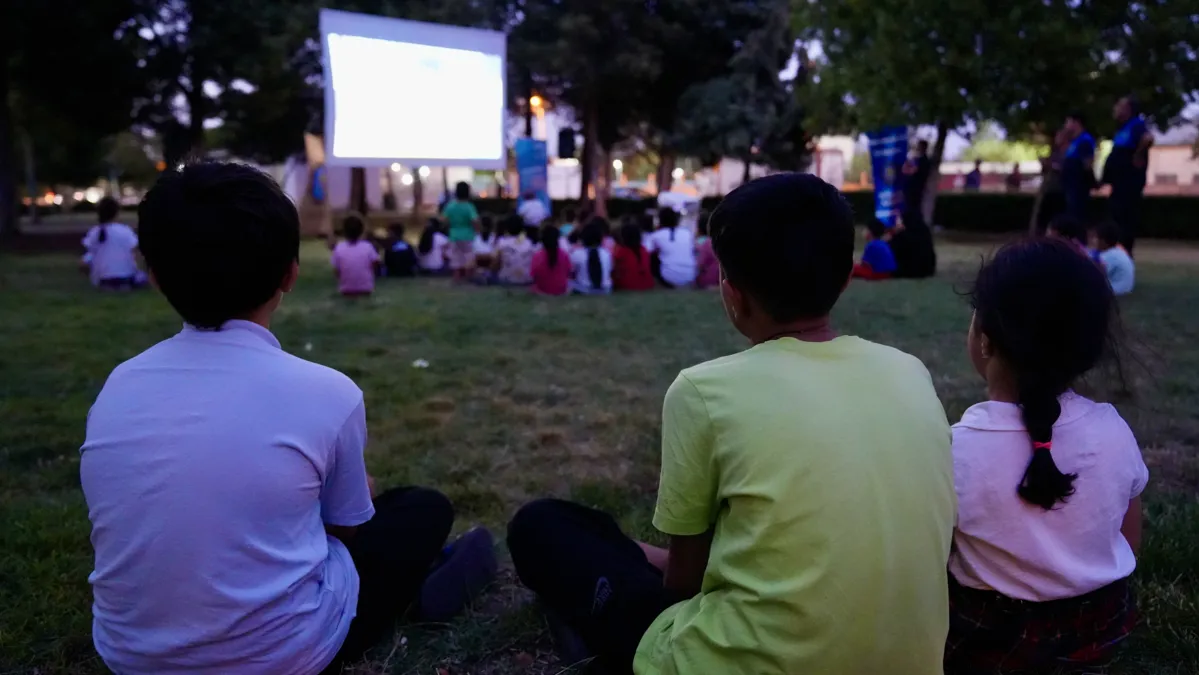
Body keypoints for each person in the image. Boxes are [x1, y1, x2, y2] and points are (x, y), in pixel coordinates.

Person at [507, 173, 955, 675]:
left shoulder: (704, 392)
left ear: (732, 293)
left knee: (540, 526)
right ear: (847, 277)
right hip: (909, 660)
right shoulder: (909, 371)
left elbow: (683, 584)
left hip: (741, 660)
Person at [80, 162, 497, 675]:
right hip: (285, 654)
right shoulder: (328, 392)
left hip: (129, 655)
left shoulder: (117, 387)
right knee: (421, 509)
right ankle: (422, 586)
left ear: (156, 276)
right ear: (290, 274)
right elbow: (345, 530)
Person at [946, 237, 1146, 674]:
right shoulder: (1113, 429)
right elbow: (1129, 539)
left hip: (988, 639)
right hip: (1099, 629)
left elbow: (929, 554)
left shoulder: (956, 448)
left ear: (985, 340)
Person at [1102, 95, 1154, 254]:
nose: (1115, 108)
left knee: (1126, 218)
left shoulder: (1136, 124)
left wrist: (1138, 155)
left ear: (1128, 109)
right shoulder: (1122, 128)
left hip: (1129, 182)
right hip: (1118, 183)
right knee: (1115, 216)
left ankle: (1125, 252)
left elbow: (1148, 138)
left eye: (1119, 106)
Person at [82, 197, 144, 290]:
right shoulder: (125, 231)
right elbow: (136, 252)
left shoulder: (94, 232)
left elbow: (88, 256)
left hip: (102, 280)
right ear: (117, 213)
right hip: (125, 278)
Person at [645, 208, 696, 288]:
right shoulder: (687, 233)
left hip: (668, 277)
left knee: (652, 256)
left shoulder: (656, 235)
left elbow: (645, 251)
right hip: (690, 275)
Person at [330, 215, 380, 296]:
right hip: (366, 289)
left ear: (344, 232)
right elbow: (375, 265)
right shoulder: (368, 246)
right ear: (362, 231)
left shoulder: (338, 248)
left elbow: (337, 272)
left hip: (346, 290)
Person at [1061, 111, 1096, 221]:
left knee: (1077, 213)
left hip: (1078, 185)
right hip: (1070, 184)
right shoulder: (1074, 141)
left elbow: (1087, 163)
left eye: (1067, 122)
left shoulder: (1085, 140)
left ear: (1076, 123)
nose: (1065, 125)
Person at [443, 181, 480, 281]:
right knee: (468, 257)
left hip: (454, 235)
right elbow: (475, 220)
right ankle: (468, 279)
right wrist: (477, 230)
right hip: (468, 235)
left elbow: (444, 220)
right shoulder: (469, 206)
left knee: (456, 258)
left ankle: (457, 278)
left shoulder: (450, 206)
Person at [1091, 220, 1136, 296]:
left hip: (1115, 292)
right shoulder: (1118, 251)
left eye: (1096, 238)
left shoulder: (1108, 256)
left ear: (1103, 241)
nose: (1093, 241)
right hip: (1125, 290)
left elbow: (1092, 276)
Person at [569, 220, 613, 295]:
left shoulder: (577, 254)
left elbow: (570, 272)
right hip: (606, 289)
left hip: (585, 289)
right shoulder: (606, 253)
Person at [889, 215, 937, 279]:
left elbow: (892, 251)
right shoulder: (925, 231)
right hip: (927, 270)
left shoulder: (902, 236)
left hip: (908, 271)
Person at [612, 221, 654, 291]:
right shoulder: (644, 250)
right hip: (647, 284)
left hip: (627, 285)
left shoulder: (622, 251)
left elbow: (615, 271)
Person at [493, 214, 535, 286]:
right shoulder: (529, 243)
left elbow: (495, 264)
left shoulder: (502, 242)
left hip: (506, 280)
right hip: (526, 280)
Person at [531, 225, 570, 296]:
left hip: (541, 290)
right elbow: (568, 272)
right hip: (561, 290)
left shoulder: (537, 255)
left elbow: (534, 275)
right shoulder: (564, 255)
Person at [902, 139, 932, 216]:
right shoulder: (918, 159)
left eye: (919, 146)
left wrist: (907, 167)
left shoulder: (923, 161)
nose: (918, 148)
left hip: (915, 191)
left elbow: (911, 171)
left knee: (913, 210)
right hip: (914, 191)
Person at [693, 211, 719, 289]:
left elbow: (699, 265)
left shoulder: (699, 243)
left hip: (705, 280)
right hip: (718, 279)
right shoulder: (716, 241)